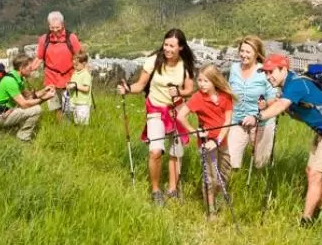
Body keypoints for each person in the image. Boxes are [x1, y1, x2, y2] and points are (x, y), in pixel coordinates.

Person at [250, 54, 322, 226]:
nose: (268, 77)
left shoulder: (296, 84)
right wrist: (271, 107)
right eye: (266, 73)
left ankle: (305, 221)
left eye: (271, 72)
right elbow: (294, 109)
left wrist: (257, 117)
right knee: (312, 173)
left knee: (314, 175)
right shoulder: (288, 85)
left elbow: (282, 105)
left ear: (284, 69)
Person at [117, 29, 195, 205]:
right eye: (166, 44)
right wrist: (128, 89)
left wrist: (179, 92)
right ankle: (155, 190)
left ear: (181, 47)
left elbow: (189, 89)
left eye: (172, 46)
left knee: (176, 152)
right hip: (155, 109)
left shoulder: (185, 65)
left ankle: (173, 189)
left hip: (176, 110)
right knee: (155, 150)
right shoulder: (154, 60)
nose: (167, 48)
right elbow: (140, 84)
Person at [225, 36, 278, 173]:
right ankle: (231, 187)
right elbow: (230, 92)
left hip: (261, 121)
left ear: (256, 53)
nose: (243, 55)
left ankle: (259, 187)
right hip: (238, 120)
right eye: (242, 51)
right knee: (230, 158)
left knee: (260, 162)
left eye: (248, 52)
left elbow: (273, 98)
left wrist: (265, 104)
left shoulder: (264, 71)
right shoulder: (234, 68)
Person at [186, 65, 234, 216]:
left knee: (224, 174)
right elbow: (181, 116)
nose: (201, 84)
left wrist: (218, 140)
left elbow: (227, 121)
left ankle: (218, 200)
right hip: (206, 143)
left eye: (205, 81)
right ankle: (211, 210)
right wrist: (195, 132)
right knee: (211, 178)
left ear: (214, 81)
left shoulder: (225, 97)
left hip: (222, 141)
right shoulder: (197, 98)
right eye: (199, 80)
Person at [0, 55, 54, 141]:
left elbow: (29, 96)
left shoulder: (17, 78)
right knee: (36, 109)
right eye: (29, 67)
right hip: (0, 116)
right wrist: (44, 99)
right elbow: (24, 104)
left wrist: (45, 91)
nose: (32, 69)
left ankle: (2, 132)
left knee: (32, 106)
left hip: (6, 113)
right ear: (22, 68)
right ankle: (23, 138)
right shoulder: (10, 81)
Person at [35, 11, 82, 122]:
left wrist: (85, 75)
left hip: (69, 77)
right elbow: (39, 57)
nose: (55, 30)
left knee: (71, 106)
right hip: (51, 78)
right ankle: (62, 129)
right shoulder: (44, 40)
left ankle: (74, 126)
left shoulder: (71, 38)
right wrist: (27, 69)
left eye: (58, 28)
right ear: (48, 26)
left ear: (63, 25)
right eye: (52, 28)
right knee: (56, 107)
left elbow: (80, 56)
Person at [68, 49, 93, 126]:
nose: (74, 67)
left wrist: (75, 86)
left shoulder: (86, 74)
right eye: (74, 65)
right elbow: (72, 83)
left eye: (77, 65)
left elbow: (86, 89)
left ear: (84, 63)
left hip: (83, 104)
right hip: (75, 102)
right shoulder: (75, 73)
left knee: (83, 123)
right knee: (77, 123)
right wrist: (68, 86)